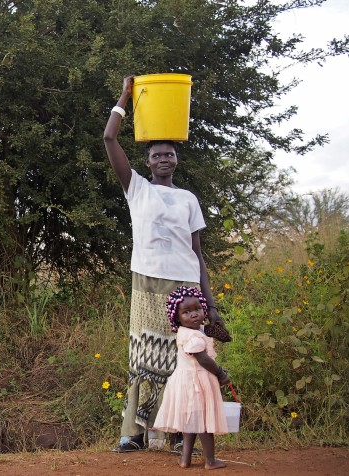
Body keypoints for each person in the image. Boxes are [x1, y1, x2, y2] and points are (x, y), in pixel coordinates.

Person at [103, 75, 225, 453]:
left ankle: (177, 436)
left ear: (177, 159)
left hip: (187, 287)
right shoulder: (136, 187)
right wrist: (125, 97)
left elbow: (198, 254)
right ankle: (134, 434)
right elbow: (109, 139)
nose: (163, 159)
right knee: (143, 355)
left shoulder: (189, 198)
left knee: (184, 359)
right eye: (156, 155)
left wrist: (212, 304)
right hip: (148, 282)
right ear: (147, 161)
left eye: (169, 154)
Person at [152, 286, 230, 469]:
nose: (194, 315)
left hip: (185, 381)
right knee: (203, 423)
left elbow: (208, 338)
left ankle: (185, 460)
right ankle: (210, 461)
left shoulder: (186, 332)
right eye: (186, 312)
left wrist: (212, 329)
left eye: (197, 309)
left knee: (190, 423)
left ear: (204, 309)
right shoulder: (194, 337)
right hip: (197, 382)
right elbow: (203, 360)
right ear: (177, 317)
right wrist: (220, 373)